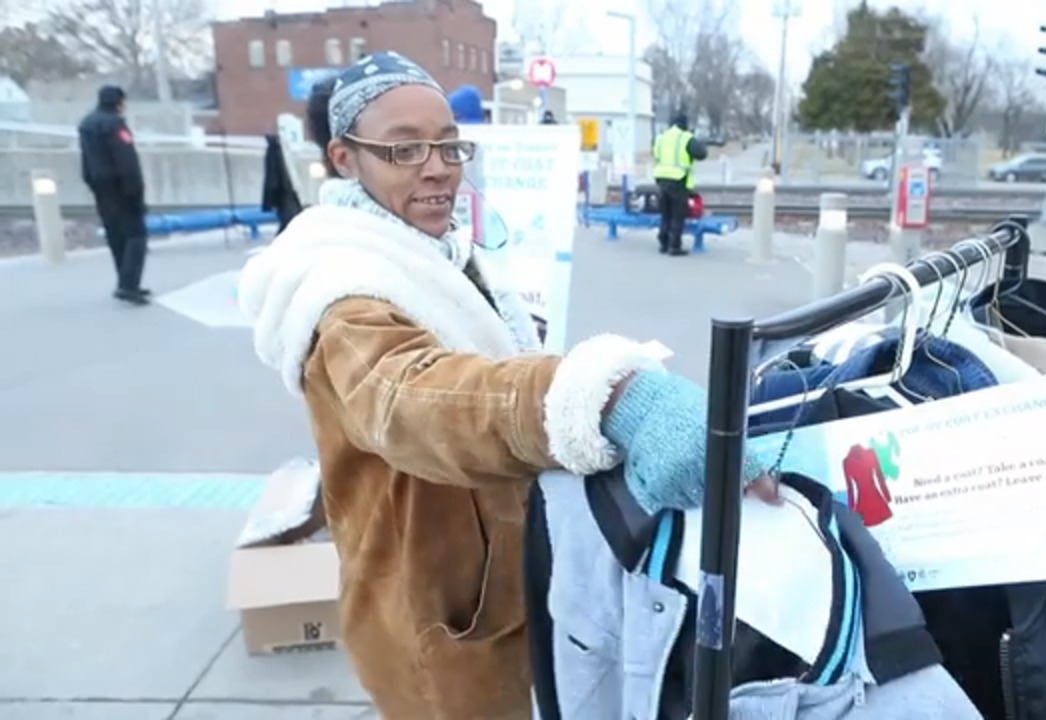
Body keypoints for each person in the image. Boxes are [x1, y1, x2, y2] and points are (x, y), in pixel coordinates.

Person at [236, 51, 777, 720]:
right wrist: (607, 397)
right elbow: (416, 401)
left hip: (494, 581)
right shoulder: (345, 295)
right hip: (436, 611)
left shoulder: (433, 250)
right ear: (345, 158)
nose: (437, 167)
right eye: (403, 150)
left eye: (447, 145)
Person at [78, 85, 149, 305]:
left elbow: (85, 161)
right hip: (122, 188)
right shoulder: (115, 124)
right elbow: (127, 161)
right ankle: (129, 285)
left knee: (116, 236)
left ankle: (123, 280)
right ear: (118, 102)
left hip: (101, 188)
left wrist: (92, 184)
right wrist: (137, 192)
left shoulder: (86, 124)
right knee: (136, 237)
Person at [652, 111, 707, 256]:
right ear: (685, 124)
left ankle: (663, 243)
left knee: (665, 213)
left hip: (661, 179)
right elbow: (702, 154)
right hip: (678, 180)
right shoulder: (685, 137)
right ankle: (674, 246)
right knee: (677, 214)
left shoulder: (661, 137)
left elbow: (656, 155)